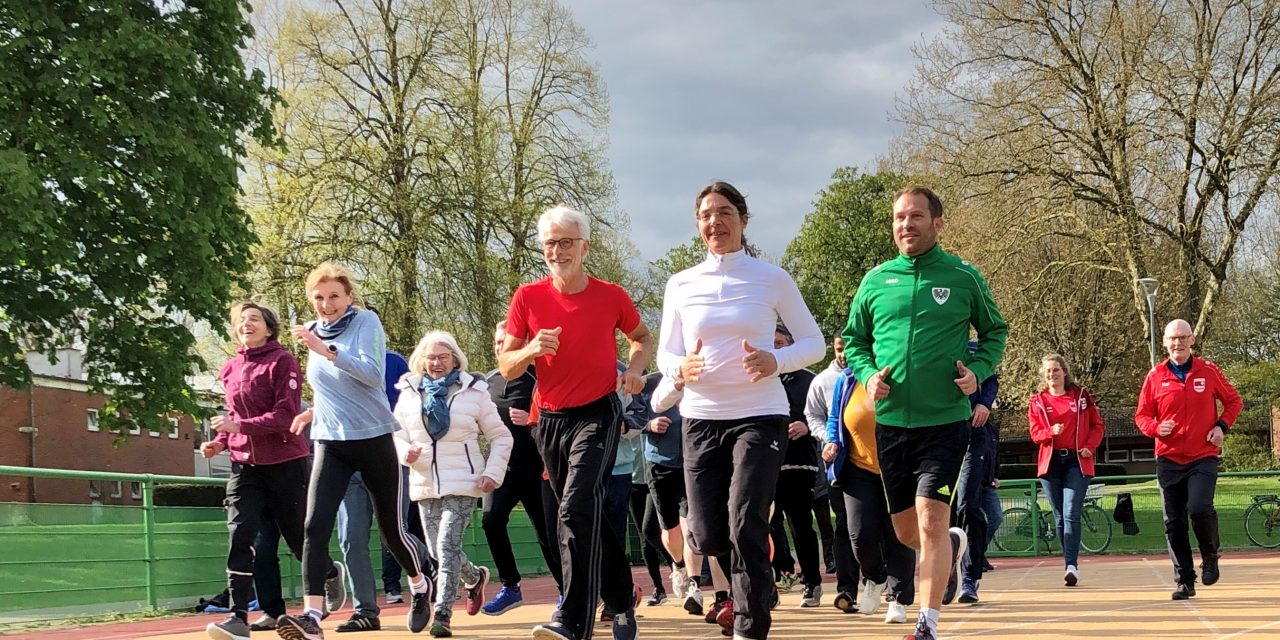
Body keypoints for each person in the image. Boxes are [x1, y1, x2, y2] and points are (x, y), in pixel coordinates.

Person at [658, 181, 824, 640]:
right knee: (709, 534)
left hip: (759, 414)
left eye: (725, 212)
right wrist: (680, 368)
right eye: (707, 214)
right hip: (701, 417)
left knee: (745, 521)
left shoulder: (771, 278)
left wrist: (776, 359)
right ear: (698, 224)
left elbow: (813, 343)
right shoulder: (681, 284)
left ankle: (750, 625)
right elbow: (665, 355)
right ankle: (747, 583)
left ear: (744, 220)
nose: (716, 221)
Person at [842, 185, 1007, 640]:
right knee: (906, 532)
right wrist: (869, 373)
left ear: (937, 223)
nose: (905, 225)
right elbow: (854, 339)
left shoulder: (962, 276)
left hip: (945, 423)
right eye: (899, 218)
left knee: (931, 520)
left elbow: (995, 331)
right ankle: (952, 547)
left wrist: (977, 371)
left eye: (915, 216)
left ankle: (926, 623)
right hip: (891, 424)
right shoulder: (876, 280)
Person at [498, 205, 654, 640]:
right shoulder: (527, 297)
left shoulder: (611, 295)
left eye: (566, 242)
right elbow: (507, 366)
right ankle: (622, 600)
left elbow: (641, 339)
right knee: (586, 516)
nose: (557, 250)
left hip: (598, 413)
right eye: (550, 242)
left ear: (585, 247)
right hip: (548, 420)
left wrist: (636, 369)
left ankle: (572, 620)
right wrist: (530, 350)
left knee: (572, 509)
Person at [279, 263, 434, 640]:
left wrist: (327, 351)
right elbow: (331, 388)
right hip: (331, 442)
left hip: (374, 439)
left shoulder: (366, 323)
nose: (326, 304)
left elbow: (370, 376)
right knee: (314, 528)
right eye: (318, 297)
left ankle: (419, 583)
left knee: (392, 532)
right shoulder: (313, 331)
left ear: (349, 297)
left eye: (334, 296)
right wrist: (313, 411)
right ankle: (312, 617)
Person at [202, 303, 347, 640]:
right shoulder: (230, 368)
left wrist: (237, 426)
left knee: (300, 540)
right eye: (241, 320)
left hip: (285, 463)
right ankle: (238, 618)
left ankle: (327, 572)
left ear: (269, 328)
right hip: (245, 468)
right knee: (241, 537)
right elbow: (233, 416)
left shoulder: (282, 361)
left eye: (254, 319)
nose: (246, 324)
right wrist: (220, 441)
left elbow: (285, 415)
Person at [393, 330, 511, 637]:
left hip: (465, 481)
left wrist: (492, 473)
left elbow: (501, 435)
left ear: (455, 360)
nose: (437, 363)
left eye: (443, 357)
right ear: (421, 361)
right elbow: (396, 433)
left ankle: (442, 614)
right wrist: (407, 452)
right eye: (431, 357)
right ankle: (473, 578)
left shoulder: (474, 393)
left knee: (446, 547)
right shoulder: (408, 393)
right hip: (424, 481)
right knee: (437, 549)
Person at [1135, 319, 1242, 600]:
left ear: (1192, 340)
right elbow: (1142, 415)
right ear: (1165, 342)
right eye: (1173, 338)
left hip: (1202, 455)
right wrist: (1157, 428)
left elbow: (1234, 401)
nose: (1178, 343)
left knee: (1199, 507)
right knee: (1174, 521)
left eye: (1183, 337)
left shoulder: (1207, 370)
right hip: (1169, 458)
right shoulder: (1155, 376)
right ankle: (1184, 579)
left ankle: (1210, 556)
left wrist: (1221, 426)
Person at [334, 348, 423, 633]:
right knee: (350, 539)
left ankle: (426, 568)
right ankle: (365, 611)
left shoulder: (393, 362)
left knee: (395, 534)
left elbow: (407, 409)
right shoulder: (328, 358)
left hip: (384, 456)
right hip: (345, 461)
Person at [822, 359, 916, 626]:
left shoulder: (902, 373)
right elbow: (834, 417)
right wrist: (831, 441)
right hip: (857, 468)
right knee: (859, 534)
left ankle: (898, 598)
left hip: (898, 466)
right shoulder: (847, 379)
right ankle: (875, 578)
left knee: (899, 534)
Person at [481, 321, 563, 615]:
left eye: (505, 341)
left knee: (548, 536)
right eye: (496, 342)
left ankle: (567, 592)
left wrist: (534, 418)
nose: (499, 347)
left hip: (539, 471)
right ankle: (511, 586)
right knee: (490, 521)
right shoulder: (487, 382)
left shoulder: (539, 376)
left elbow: (560, 417)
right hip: (504, 470)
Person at [1027, 354, 1104, 588]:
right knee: (1060, 516)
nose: (1052, 375)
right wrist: (1051, 431)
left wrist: (1090, 446)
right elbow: (1035, 434)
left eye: (1056, 370)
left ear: (1064, 372)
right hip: (1051, 464)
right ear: (1044, 375)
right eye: (1048, 371)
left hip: (1077, 462)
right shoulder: (1037, 401)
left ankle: (1072, 565)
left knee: (1071, 511)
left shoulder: (1080, 396)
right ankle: (1067, 562)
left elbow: (1097, 425)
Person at [803, 333, 861, 613]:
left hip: (872, 461)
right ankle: (846, 588)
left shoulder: (870, 374)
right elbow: (812, 414)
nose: (843, 354)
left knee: (876, 524)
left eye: (848, 349)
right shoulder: (822, 381)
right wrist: (826, 438)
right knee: (843, 525)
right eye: (839, 349)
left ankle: (885, 581)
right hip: (838, 464)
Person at [769, 324, 824, 608]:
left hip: (799, 464)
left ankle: (812, 582)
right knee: (763, 522)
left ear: (792, 345)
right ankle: (780, 574)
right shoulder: (760, 378)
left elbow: (825, 418)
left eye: (780, 342)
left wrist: (807, 426)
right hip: (765, 464)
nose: (775, 347)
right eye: (772, 343)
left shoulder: (810, 381)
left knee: (801, 524)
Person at [953, 341, 999, 604]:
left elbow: (991, 378)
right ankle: (946, 570)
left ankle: (970, 576)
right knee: (938, 510)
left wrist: (984, 403)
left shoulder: (973, 349)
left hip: (972, 434)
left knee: (967, 505)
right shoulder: (925, 344)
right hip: (937, 436)